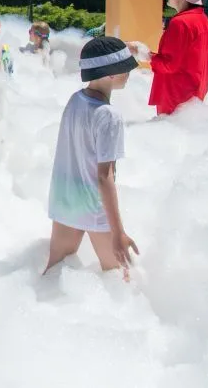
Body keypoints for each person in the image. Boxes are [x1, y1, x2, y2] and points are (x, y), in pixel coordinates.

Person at [44, 37, 139, 277]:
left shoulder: (75, 100)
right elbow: (105, 177)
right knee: (120, 279)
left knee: (53, 275)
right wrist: (118, 232)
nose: (130, 73)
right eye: (126, 68)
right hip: (93, 205)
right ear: (111, 74)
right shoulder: (109, 116)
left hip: (65, 199)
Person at [131, 0, 208, 116]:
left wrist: (142, 53)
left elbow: (169, 64)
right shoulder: (205, 22)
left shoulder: (181, 23)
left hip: (175, 98)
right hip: (193, 98)